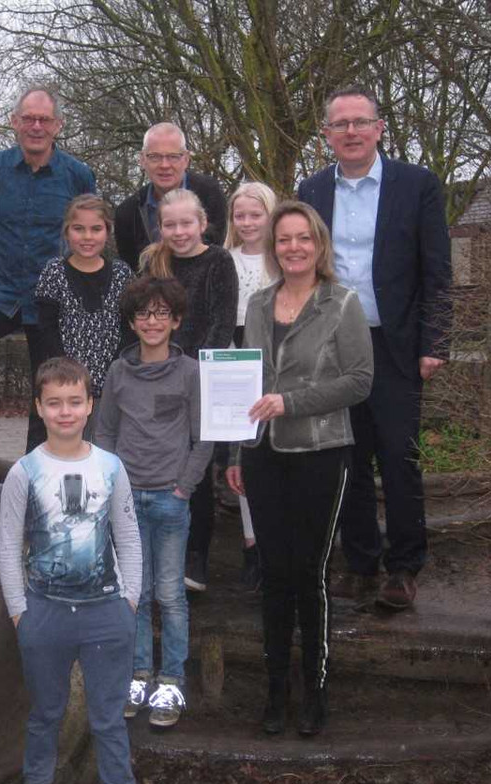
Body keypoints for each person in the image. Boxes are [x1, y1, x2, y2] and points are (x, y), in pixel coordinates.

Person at [297, 84, 452, 612]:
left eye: (360, 122)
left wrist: (437, 341)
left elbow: (438, 271)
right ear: (327, 135)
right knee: (346, 457)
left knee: (398, 456)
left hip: (396, 344)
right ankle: (360, 562)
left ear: (379, 128)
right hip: (334, 345)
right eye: (340, 125)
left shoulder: (418, 185)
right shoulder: (311, 190)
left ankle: (404, 567)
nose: (351, 132)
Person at [225, 201, 373, 737]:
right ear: (274, 247)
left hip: (321, 453)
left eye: (302, 238)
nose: (293, 248)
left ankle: (315, 690)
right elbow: (245, 384)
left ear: (319, 244)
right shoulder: (261, 305)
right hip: (263, 457)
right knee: (274, 574)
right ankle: (274, 692)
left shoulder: (342, 304)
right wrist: (240, 452)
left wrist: (291, 402)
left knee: (309, 575)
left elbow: (359, 380)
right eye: (283, 239)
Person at [0, 357, 146, 784]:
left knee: (108, 718)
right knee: (45, 714)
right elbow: (6, 545)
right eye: (55, 403)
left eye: (75, 401)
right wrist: (20, 611)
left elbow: (127, 536)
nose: (66, 412)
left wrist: (129, 602)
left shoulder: (110, 467)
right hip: (45, 613)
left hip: (107, 611)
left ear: (89, 405)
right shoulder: (24, 472)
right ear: (39, 407)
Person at [95, 277, 212, 730]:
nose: (152, 322)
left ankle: (172, 680)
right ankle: (138, 673)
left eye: (162, 313)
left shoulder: (189, 374)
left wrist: (184, 487)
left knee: (170, 594)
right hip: (125, 501)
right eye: (144, 314)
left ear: (177, 320)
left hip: (170, 500)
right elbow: (104, 431)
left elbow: (203, 438)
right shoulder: (118, 373)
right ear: (131, 321)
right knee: (136, 595)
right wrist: (111, 483)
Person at [0, 86, 97, 452]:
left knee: (52, 386)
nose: (36, 126)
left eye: (44, 119)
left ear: (58, 125)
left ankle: (42, 465)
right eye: (28, 118)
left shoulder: (78, 175)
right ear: (14, 122)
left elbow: (91, 230)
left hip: (52, 299)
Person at [139, 188, 237, 593]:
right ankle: (158, 554)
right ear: (160, 227)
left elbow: (222, 320)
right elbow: (144, 314)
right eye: (170, 224)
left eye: (186, 223)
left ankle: (197, 556)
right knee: (161, 459)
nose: (179, 231)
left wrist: (191, 371)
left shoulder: (218, 260)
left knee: (196, 468)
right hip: (159, 373)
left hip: (202, 376)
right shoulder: (152, 262)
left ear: (202, 223)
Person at [33, 194, 133, 434]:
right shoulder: (54, 271)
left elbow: (129, 328)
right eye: (79, 229)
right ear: (67, 232)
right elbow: (47, 328)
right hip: (67, 385)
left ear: (107, 232)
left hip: (112, 382)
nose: (87, 237)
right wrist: (67, 372)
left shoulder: (122, 274)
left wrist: (115, 369)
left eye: (96, 229)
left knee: (105, 445)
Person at [224, 182, 280, 592]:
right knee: (244, 453)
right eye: (240, 215)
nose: (247, 223)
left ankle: (280, 539)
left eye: (255, 215)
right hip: (235, 361)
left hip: (276, 359)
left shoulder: (282, 260)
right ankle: (251, 542)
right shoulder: (223, 260)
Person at [114, 122, 227, 273]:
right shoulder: (126, 213)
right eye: (155, 157)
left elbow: (217, 250)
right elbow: (131, 272)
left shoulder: (210, 194)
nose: (164, 165)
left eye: (173, 157)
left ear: (186, 159)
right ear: (142, 160)